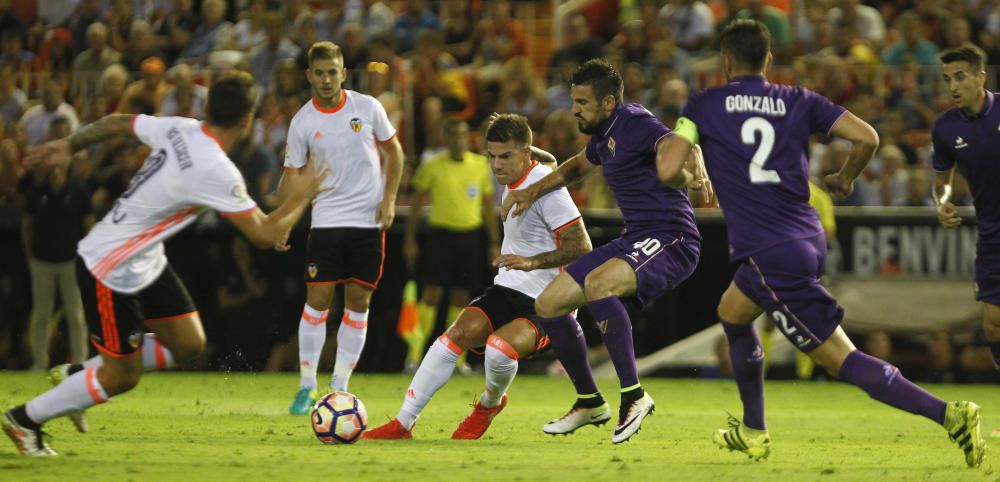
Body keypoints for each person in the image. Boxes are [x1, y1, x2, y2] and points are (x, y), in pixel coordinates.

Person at [657, 19, 985, 467]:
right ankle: (754, 429)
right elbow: (868, 137)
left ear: (726, 62)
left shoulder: (704, 104)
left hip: (772, 250)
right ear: (769, 62)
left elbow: (666, 170)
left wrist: (692, 173)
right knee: (732, 313)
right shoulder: (797, 98)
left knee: (842, 360)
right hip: (805, 235)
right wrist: (845, 177)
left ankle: (949, 415)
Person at [2, 72, 328, 456]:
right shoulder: (215, 169)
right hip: (110, 266)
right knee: (122, 377)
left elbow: (115, 123)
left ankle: (81, 373)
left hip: (145, 260)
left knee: (190, 345)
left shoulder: (180, 128)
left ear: (209, 109)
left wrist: (70, 144)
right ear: (247, 120)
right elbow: (264, 234)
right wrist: (302, 196)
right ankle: (25, 419)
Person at [501, 59, 706, 444]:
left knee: (598, 285)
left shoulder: (633, 121)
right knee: (549, 304)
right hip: (637, 237)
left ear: (608, 102)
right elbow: (575, 168)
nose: (574, 108)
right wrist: (531, 191)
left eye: (582, 101)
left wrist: (695, 161)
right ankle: (589, 401)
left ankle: (634, 395)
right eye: (574, 100)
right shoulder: (603, 134)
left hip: (672, 237)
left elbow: (674, 143)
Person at [365, 113, 590, 440]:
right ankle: (402, 423)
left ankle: (489, 404)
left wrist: (533, 262)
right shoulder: (522, 172)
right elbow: (549, 160)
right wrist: (522, 150)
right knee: (453, 336)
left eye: (505, 156)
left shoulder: (548, 191)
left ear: (525, 154)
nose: (497, 166)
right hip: (509, 287)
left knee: (499, 349)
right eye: (492, 156)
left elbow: (582, 246)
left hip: (550, 302)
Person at [281, 41, 404, 415]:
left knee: (359, 301)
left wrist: (390, 198)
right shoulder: (302, 121)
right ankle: (306, 386)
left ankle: (339, 388)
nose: (326, 79)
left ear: (343, 73)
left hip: (368, 220)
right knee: (318, 300)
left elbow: (394, 152)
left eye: (332, 71)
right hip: (327, 220)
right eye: (319, 73)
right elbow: (291, 177)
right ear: (309, 76)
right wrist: (284, 220)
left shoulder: (367, 107)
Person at [931, 46, 1000, 440]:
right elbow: (941, 183)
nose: (953, 86)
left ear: (980, 77)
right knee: (993, 327)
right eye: (947, 80)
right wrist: (942, 205)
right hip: (992, 234)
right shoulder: (944, 129)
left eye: (960, 77)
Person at [401, 117, 499, 373]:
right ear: (445, 138)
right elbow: (416, 204)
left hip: (469, 236)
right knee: (431, 294)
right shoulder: (432, 166)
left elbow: (488, 206)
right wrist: (410, 239)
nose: (458, 139)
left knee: (462, 296)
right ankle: (414, 355)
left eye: (462, 134)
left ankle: (458, 360)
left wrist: (493, 241)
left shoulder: (480, 165)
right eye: (453, 134)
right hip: (440, 235)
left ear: (469, 137)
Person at [21, 145, 95, 371]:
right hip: (42, 261)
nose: (54, 167)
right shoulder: (37, 192)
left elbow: (89, 226)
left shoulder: (78, 191)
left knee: (76, 314)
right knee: (42, 314)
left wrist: (87, 257)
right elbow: (27, 227)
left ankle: (79, 361)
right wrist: (30, 257)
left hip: (70, 261)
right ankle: (40, 361)